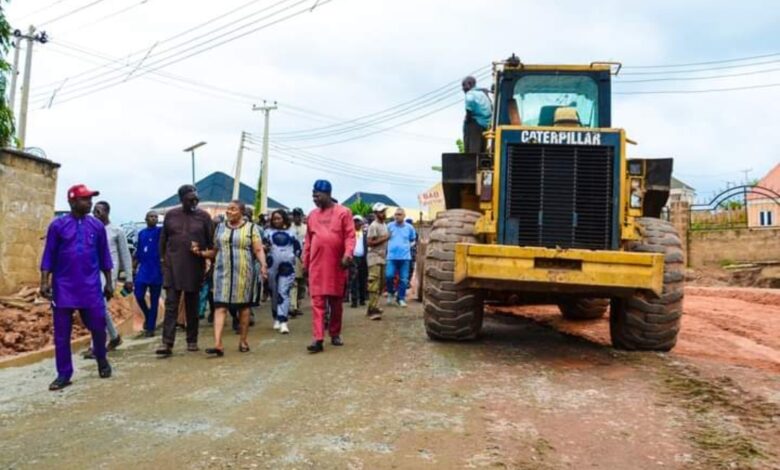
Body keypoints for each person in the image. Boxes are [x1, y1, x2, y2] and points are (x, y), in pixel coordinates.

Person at [40, 184, 114, 390]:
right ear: (72, 201)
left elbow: (104, 256)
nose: (89, 203)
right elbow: (49, 254)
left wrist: (109, 282)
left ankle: (102, 358)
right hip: (63, 287)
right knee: (62, 333)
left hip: (90, 287)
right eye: (85, 199)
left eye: (90, 199)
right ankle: (64, 374)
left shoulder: (97, 226)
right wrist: (44, 281)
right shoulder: (58, 226)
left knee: (98, 326)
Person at [200, 200, 266, 356]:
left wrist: (263, 265)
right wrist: (201, 253)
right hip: (222, 272)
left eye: (233, 209)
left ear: (241, 212)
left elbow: (258, 249)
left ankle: (243, 340)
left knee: (243, 307)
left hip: (244, 273)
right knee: (220, 306)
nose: (229, 211)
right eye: (228, 209)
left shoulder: (251, 228)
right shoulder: (220, 228)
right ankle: (218, 344)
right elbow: (215, 250)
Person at [156, 185, 214, 357]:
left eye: (196, 199)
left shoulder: (204, 217)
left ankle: (192, 340)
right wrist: (163, 262)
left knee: (192, 306)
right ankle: (167, 343)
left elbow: (211, 243)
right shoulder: (171, 215)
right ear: (181, 199)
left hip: (194, 267)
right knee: (171, 305)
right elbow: (163, 241)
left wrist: (208, 262)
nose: (194, 202)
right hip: (172, 268)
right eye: (190, 200)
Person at [303, 180, 356, 353]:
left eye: (317, 196)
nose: (315, 199)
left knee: (336, 304)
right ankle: (318, 338)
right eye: (313, 196)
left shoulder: (343, 212)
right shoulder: (312, 215)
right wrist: (305, 262)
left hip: (337, 265)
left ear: (328, 194)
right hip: (316, 266)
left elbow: (350, 236)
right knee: (317, 303)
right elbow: (308, 241)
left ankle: (335, 333)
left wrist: (348, 254)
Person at [82, 200, 132, 358]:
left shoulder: (117, 231)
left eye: (99, 211)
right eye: (94, 211)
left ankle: (96, 346)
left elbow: (125, 255)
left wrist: (129, 278)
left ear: (107, 212)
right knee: (98, 307)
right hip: (93, 271)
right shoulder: (91, 230)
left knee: (98, 306)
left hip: (109, 273)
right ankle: (114, 337)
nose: (95, 214)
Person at [264, 209, 301, 335]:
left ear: (284, 219)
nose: (276, 221)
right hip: (271, 267)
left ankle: (283, 320)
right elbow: (262, 247)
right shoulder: (267, 232)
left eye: (279, 218)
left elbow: (298, 249)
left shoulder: (292, 232)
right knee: (274, 293)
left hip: (287, 267)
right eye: (274, 219)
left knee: (283, 292)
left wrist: (300, 260)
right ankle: (276, 316)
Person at [133, 211, 162, 337]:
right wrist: (133, 267)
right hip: (143, 270)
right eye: (151, 216)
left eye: (156, 217)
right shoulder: (141, 233)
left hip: (157, 270)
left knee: (155, 300)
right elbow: (138, 251)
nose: (154, 218)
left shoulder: (160, 232)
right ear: (146, 219)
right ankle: (147, 314)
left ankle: (150, 328)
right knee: (139, 295)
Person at [386, 208, 417, 308]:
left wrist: (408, 246)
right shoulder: (389, 226)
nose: (397, 216)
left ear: (404, 216)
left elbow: (413, 239)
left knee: (404, 279)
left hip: (405, 257)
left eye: (399, 214)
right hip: (391, 257)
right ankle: (390, 292)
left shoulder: (409, 228)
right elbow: (385, 237)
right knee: (389, 276)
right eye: (396, 214)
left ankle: (401, 298)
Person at [366, 203, 389, 320]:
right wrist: (385, 238)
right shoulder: (373, 226)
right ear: (376, 213)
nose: (383, 213)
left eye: (384, 211)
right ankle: (373, 310)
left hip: (382, 257)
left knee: (381, 284)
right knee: (374, 284)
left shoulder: (384, 224)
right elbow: (369, 242)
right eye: (381, 212)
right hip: (374, 257)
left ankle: (372, 306)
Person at [462, 75, 493, 154]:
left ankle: (470, 159)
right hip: (485, 125)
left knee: (472, 151)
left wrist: (467, 118)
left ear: (470, 84)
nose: (463, 88)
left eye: (464, 85)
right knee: (481, 149)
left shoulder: (470, 94)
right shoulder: (483, 94)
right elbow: (491, 107)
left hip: (475, 124)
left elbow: (470, 101)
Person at [290, 207, 307, 317]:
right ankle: (293, 306)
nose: (297, 217)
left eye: (299, 215)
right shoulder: (289, 228)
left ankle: (298, 304)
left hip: (304, 257)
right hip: (292, 257)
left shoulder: (306, 228)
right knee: (293, 282)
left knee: (302, 284)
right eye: (295, 215)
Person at [349, 215, 368, 308]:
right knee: (354, 279)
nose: (356, 223)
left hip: (363, 258)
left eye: (358, 221)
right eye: (355, 221)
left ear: (361, 223)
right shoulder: (350, 233)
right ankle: (354, 300)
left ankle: (362, 299)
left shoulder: (364, 233)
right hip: (353, 258)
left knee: (362, 279)